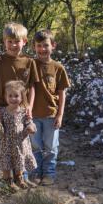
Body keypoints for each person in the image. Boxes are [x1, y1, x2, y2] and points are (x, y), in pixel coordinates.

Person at [0, 22, 39, 191]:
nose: (13, 45)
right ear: (4, 42)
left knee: (22, 144)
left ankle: (20, 179)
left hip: (22, 112)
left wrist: (29, 106)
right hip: (2, 110)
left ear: (24, 41)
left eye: (17, 41)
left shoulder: (29, 62)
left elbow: (32, 87)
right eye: (10, 41)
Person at [30, 29, 71, 186]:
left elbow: (62, 94)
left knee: (51, 146)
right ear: (34, 46)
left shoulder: (58, 68)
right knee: (35, 146)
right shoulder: (31, 64)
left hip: (51, 115)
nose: (42, 49)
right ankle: (36, 173)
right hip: (33, 115)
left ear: (53, 45)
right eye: (39, 45)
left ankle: (49, 174)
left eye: (45, 45)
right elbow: (14, 60)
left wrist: (60, 115)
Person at [0, 80, 37, 191]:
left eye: (16, 96)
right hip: (6, 143)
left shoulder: (24, 112)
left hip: (20, 143)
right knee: (6, 163)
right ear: (6, 97)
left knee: (19, 161)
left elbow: (29, 122)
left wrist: (31, 128)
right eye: (10, 96)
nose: (13, 98)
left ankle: (19, 179)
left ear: (22, 97)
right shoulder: (2, 112)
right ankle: (7, 181)